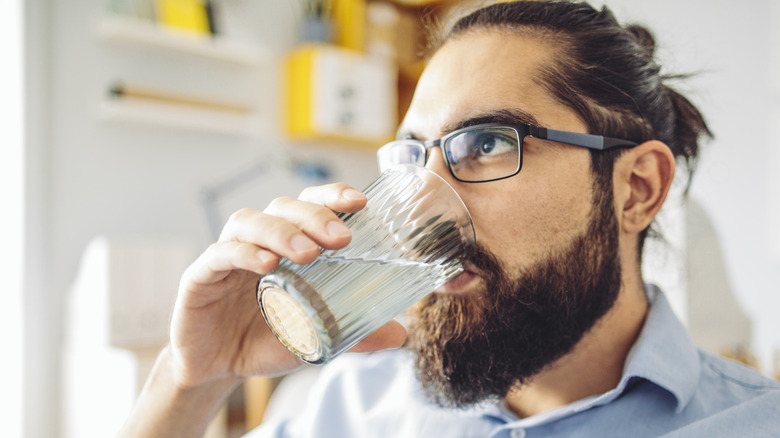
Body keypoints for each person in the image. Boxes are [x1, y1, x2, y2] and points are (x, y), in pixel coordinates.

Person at [119, 1, 780, 437]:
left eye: (487, 143)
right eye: (411, 158)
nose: (423, 211)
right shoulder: (349, 406)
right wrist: (190, 381)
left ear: (637, 188)